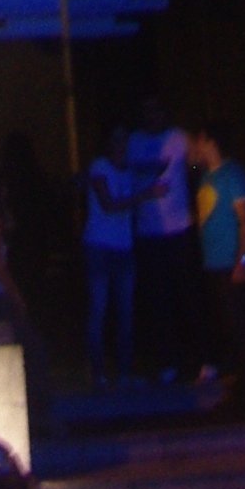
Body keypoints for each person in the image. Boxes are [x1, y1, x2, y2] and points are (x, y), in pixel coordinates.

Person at [188, 126, 245, 407]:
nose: (194, 147)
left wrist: (242, 260)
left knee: (242, 326)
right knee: (229, 327)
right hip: (214, 263)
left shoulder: (234, 175)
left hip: (232, 262)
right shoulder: (207, 176)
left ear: (208, 140)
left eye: (197, 140)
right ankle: (243, 384)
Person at [128, 94, 201, 383]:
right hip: (148, 232)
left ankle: (200, 360)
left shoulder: (179, 139)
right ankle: (166, 362)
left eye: (157, 110)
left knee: (189, 296)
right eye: (147, 111)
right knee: (159, 300)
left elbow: (195, 169)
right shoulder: (133, 141)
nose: (152, 116)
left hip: (180, 226)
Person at [82, 124, 137, 390]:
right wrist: (146, 195)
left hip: (124, 248)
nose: (120, 145)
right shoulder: (99, 167)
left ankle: (124, 373)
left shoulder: (128, 170)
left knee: (125, 312)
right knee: (99, 309)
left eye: (124, 140)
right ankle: (98, 373)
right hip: (99, 248)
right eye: (116, 140)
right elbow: (109, 204)